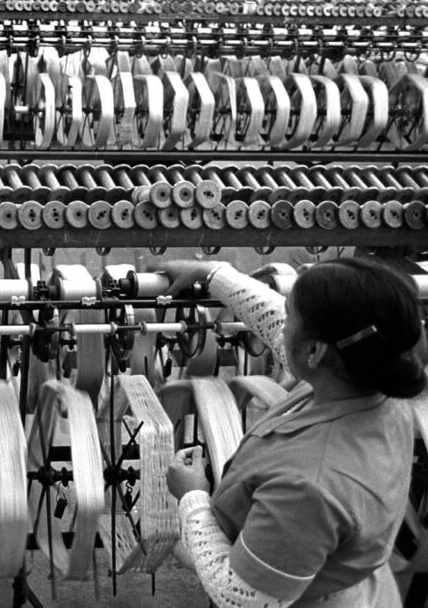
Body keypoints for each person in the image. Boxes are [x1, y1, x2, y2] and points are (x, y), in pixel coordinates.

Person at [163, 257, 427, 607]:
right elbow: (278, 323)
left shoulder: (308, 488)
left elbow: (239, 595)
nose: (283, 325)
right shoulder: (371, 382)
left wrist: (192, 497)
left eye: (292, 316)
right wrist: (215, 275)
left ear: (315, 351)